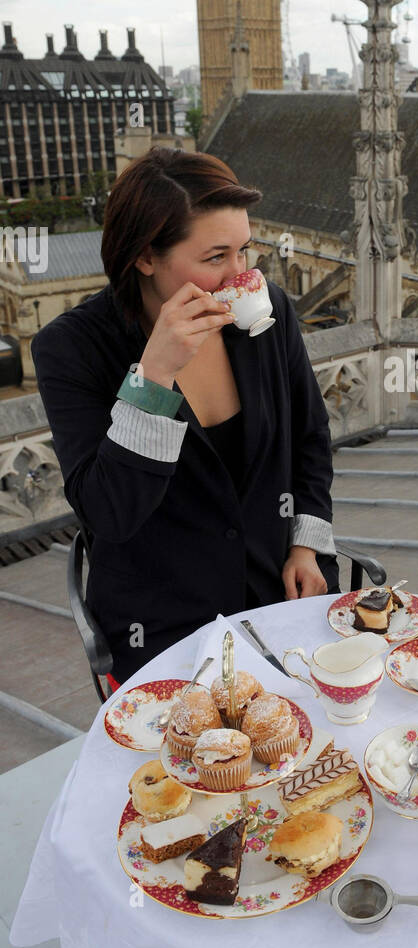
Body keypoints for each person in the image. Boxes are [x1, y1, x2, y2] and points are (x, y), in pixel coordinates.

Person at [32, 147, 339, 689]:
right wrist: (153, 380)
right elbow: (109, 515)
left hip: (281, 598)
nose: (239, 275)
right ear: (146, 256)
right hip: (161, 629)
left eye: (246, 250)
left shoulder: (269, 313)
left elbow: (310, 438)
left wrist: (306, 543)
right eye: (216, 257)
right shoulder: (72, 350)